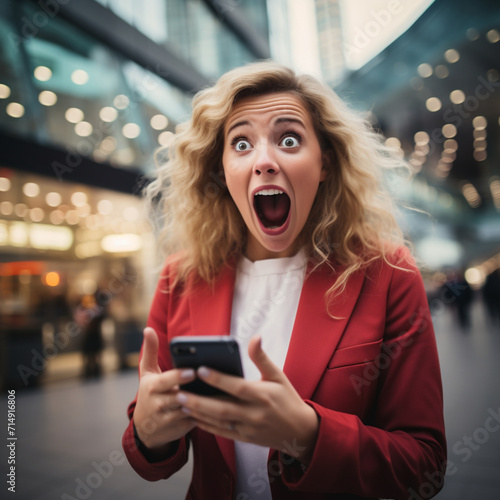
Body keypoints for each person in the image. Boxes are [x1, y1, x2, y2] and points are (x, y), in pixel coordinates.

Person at [122, 61, 446, 500]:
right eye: (241, 143)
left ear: (325, 162)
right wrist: (148, 431)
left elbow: (423, 462)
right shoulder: (178, 279)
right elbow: (153, 460)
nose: (264, 161)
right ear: (221, 170)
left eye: (288, 139)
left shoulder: (388, 273)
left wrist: (309, 435)